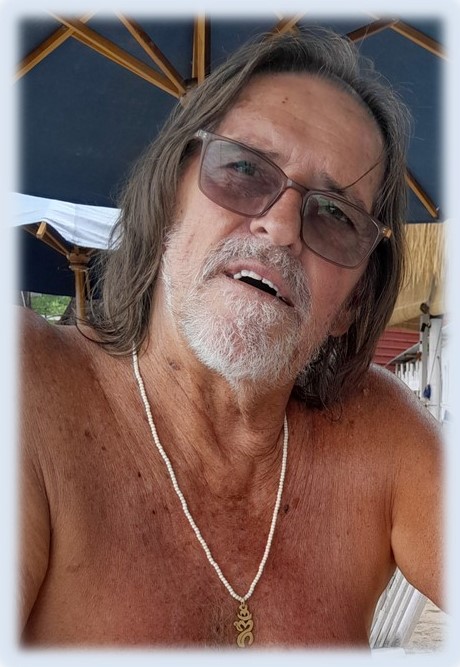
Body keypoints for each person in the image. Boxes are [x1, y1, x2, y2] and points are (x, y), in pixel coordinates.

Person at [19, 28, 443, 649]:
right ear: (167, 200)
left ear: (352, 301)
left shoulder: (382, 437)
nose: (281, 226)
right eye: (243, 167)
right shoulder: (28, 387)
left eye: (335, 214)